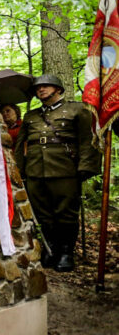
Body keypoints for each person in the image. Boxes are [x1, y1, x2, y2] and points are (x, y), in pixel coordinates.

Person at [14, 74, 100, 272]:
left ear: (58, 89)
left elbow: (88, 140)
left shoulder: (77, 109)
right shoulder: (31, 116)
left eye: (46, 86)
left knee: (66, 214)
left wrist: (85, 167)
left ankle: (65, 253)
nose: (41, 90)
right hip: (35, 170)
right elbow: (20, 146)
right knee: (42, 214)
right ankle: (49, 249)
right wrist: (19, 170)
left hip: (65, 170)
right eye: (38, 88)